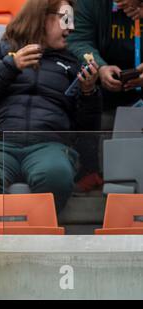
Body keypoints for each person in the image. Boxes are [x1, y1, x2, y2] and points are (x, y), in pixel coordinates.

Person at [0, 0, 102, 213]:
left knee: (56, 175)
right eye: (66, 19)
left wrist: (89, 92)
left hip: (49, 145)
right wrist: (10, 66)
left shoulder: (74, 62)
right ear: (42, 17)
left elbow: (87, 128)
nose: (71, 27)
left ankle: (39, 235)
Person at [67, 0, 143, 192]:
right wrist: (100, 67)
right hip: (103, 85)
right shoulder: (90, 3)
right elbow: (78, 40)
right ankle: (91, 171)